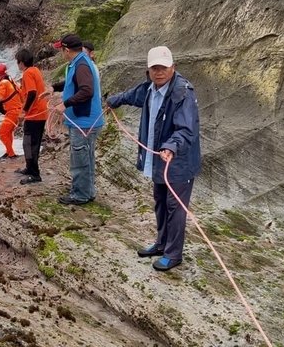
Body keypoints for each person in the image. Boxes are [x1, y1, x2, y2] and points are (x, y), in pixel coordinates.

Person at [105, 46, 201, 272]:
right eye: (154, 68)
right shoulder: (149, 88)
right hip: (158, 160)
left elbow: (187, 130)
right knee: (160, 200)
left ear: (173, 68)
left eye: (163, 68)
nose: (159, 72)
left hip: (178, 162)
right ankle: (161, 244)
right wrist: (113, 101)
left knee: (175, 207)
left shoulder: (183, 92)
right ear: (148, 70)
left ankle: (173, 254)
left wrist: (170, 146)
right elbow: (131, 95)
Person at [51, 34, 105, 205]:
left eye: (61, 50)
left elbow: (86, 90)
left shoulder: (81, 65)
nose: (61, 53)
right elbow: (71, 82)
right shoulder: (80, 62)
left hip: (84, 122)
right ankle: (87, 192)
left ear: (66, 50)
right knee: (86, 157)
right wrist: (53, 87)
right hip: (87, 121)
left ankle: (80, 195)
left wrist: (64, 104)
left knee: (80, 159)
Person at [15, 48, 49, 184]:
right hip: (40, 113)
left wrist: (24, 112)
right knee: (29, 143)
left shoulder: (28, 73)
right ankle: (29, 168)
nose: (17, 65)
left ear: (22, 62)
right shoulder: (35, 70)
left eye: (18, 62)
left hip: (34, 115)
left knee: (30, 144)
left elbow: (32, 93)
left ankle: (35, 174)